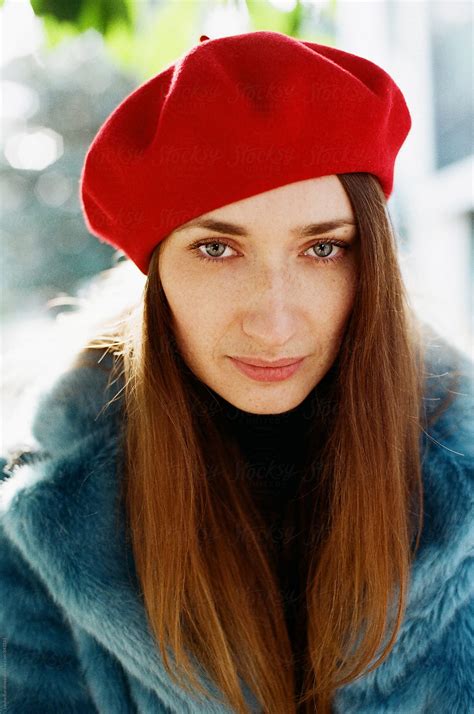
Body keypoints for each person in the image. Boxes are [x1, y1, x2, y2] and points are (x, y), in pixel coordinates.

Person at [1, 30, 473, 714]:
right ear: (155, 275)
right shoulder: (43, 532)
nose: (275, 323)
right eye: (217, 248)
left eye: (323, 248)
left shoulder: (457, 474)